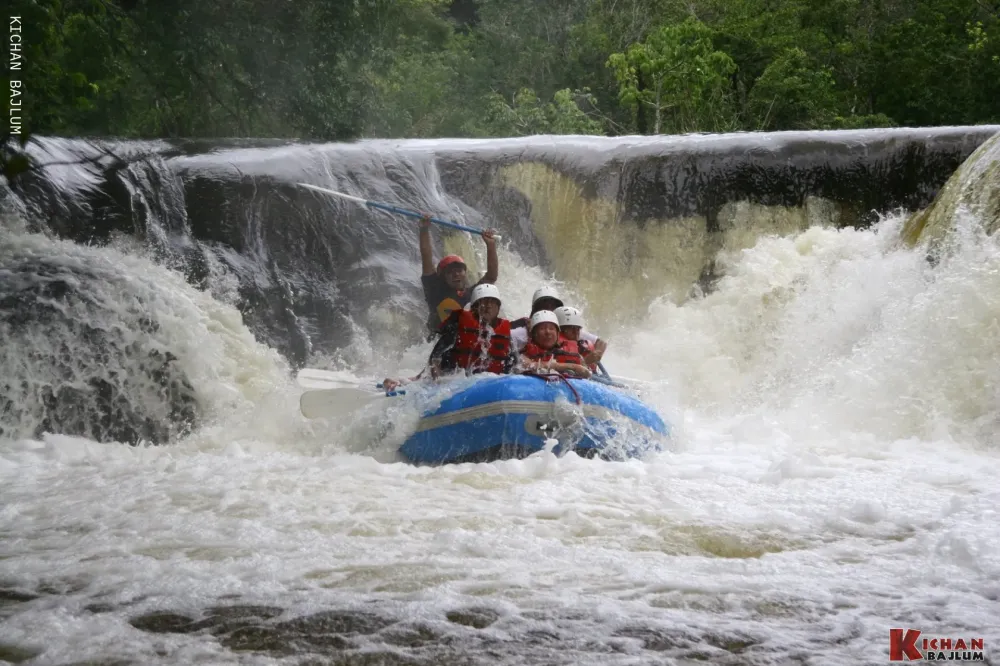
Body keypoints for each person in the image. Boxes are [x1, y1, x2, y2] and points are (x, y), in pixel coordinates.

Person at [420, 215, 498, 336]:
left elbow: (491, 277)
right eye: (450, 271)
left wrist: (491, 245)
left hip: (462, 341)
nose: (456, 274)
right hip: (437, 341)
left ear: (465, 273)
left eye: (459, 270)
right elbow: (426, 256)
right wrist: (424, 229)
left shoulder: (472, 294)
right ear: (443, 277)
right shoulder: (434, 290)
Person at [517, 310, 591, 379]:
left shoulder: (573, 352)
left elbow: (586, 373)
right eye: (542, 328)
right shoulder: (523, 354)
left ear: (558, 334)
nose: (548, 332)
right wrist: (572, 367)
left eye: (551, 328)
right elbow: (530, 366)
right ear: (533, 334)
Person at [553, 305, 608, 371]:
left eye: (578, 328)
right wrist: (584, 362)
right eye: (571, 327)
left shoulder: (578, 333)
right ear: (559, 329)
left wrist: (596, 353)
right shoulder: (549, 340)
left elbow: (602, 343)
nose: (576, 332)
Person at [510, 286, 565, 350]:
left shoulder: (567, 329)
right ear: (535, 309)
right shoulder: (519, 331)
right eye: (544, 306)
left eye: (553, 306)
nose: (548, 310)